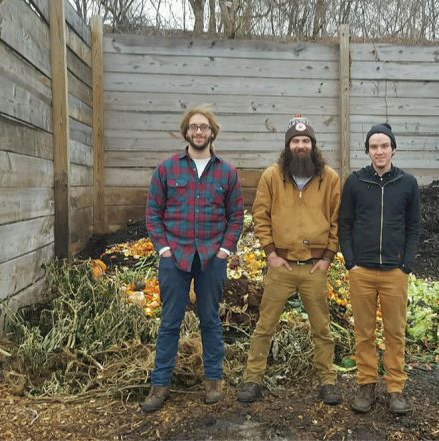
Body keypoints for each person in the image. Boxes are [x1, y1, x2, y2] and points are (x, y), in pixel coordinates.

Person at [143, 106, 244, 413]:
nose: (199, 132)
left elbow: (236, 216)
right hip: (175, 257)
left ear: (213, 133)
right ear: (185, 132)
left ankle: (213, 380)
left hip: (212, 258)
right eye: (193, 127)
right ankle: (160, 385)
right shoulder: (167, 169)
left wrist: (225, 251)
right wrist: (163, 249)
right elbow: (153, 214)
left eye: (204, 127)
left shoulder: (227, 173)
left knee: (210, 320)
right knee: (169, 322)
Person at [236, 114, 342, 405]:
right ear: (287, 145)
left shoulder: (329, 178)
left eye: (305, 140)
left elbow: (337, 219)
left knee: (322, 327)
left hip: (314, 268)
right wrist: (270, 253)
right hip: (281, 267)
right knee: (265, 325)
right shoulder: (272, 176)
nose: (300, 146)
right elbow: (260, 214)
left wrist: (329, 257)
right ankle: (252, 379)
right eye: (295, 141)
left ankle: (327, 381)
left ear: (313, 145)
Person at [338, 123, 420, 415]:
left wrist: (406, 265)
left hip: (394, 273)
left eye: (385, 145)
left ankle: (396, 388)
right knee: (364, 332)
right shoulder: (356, 182)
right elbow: (344, 224)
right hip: (362, 271)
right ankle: (367, 385)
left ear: (393, 149)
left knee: (395, 332)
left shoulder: (408, 183)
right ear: (368, 151)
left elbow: (414, 227)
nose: (380, 151)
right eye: (374, 146)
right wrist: (351, 261)